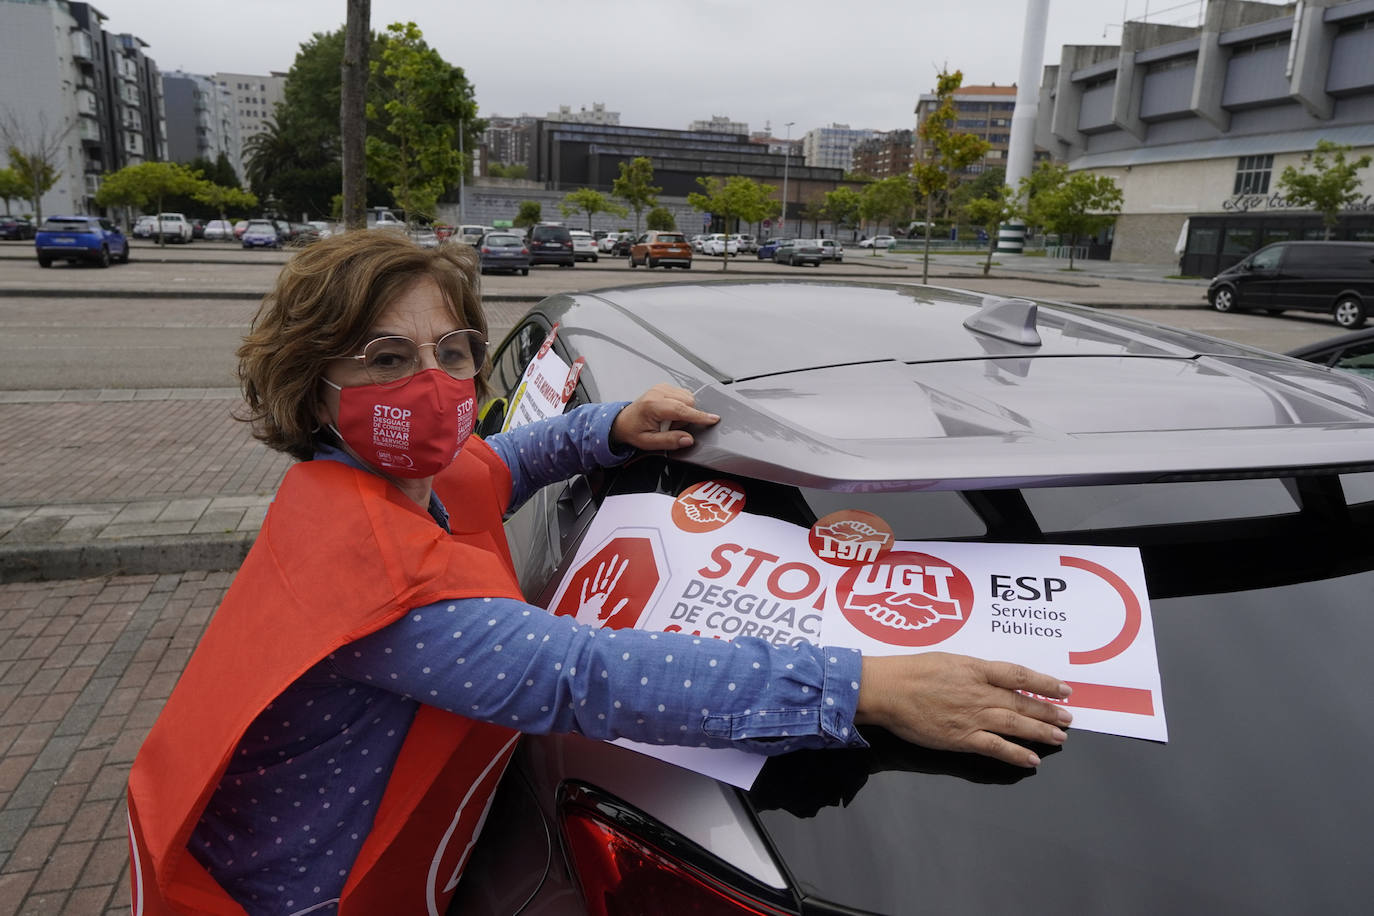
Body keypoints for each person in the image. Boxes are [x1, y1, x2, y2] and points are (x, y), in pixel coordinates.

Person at [127, 231, 1073, 915]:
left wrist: (606, 428)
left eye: (453, 350)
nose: (436, 379)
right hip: (294, 889)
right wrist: (867, 684)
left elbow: (504, 464)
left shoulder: (408, 478)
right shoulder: (380, 575)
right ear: (311, 380)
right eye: (386, 357)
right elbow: (591, 676)